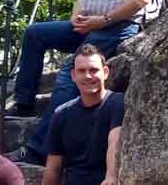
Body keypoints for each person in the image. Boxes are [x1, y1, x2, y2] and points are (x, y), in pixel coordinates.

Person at [5, 0, 154, 167]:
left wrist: (102, 20)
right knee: (35, 33)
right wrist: (77, 16)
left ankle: (39, 149)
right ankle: (25, 104)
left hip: (117, 26)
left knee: (70, 72)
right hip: (88, 23)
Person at [42, 44, 124, 185]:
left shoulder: (118, 102)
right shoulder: (61, 114)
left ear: (105, 72)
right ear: (73, 75)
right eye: (81, 71)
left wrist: (111, 177)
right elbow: (53, 169)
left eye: (93, 70)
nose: (87, 76)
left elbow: (114, 142)